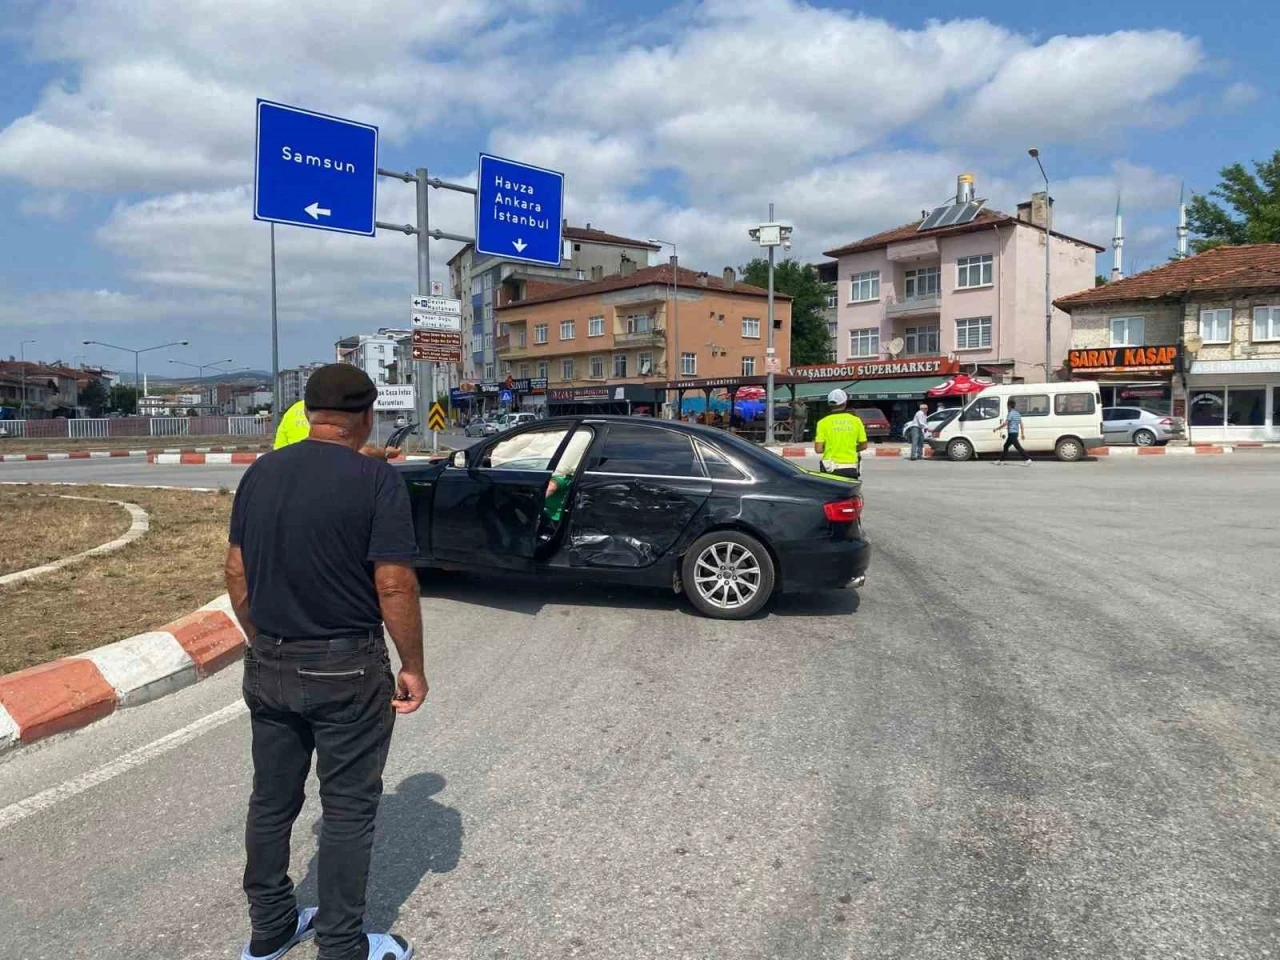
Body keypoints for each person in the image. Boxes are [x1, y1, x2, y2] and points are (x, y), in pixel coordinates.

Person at [225, 364, 426, 960]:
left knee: (271, 802)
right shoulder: (376, 480)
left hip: (270, 662)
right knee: (347, 810)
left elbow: (236, 571)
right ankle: (341, 945)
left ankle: (270, 929)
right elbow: (394, 584)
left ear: (310, 413)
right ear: (366, 417)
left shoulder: (260, 473)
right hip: (347, 669)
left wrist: (264, 639)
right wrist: (412, 665)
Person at [275, 396, 402, 460]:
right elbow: (358, 451)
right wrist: (386, 453)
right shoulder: (336, 410)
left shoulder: (292, 410)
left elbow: (278, 452)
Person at [813, 388, 868, 479]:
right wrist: (850, 448)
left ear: (829, 404)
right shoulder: (856, 421)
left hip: (830, 468)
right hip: (851, 467)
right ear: (845, 403)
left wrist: (831, 448)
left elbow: (818, 449)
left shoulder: (822, 422)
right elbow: (864, 445)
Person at [995, 397, 1031, 465]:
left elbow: (1006, 423)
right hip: (1015, 433)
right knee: (1006, 446)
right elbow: (1021, 424)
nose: (1007, 407)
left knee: (1018, 447)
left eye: (1007, 406)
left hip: (1012, 433)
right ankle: (1001, 460)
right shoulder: (1017, 414)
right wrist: (1022, 434)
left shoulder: (1010, 414)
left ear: (1009, 406)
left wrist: (997, 428)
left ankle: (1028, 459)